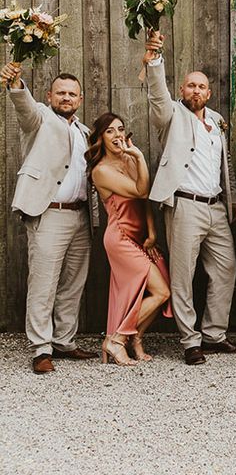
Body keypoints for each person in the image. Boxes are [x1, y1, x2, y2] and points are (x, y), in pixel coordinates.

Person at [142, 32, 236, 365]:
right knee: (183, 274)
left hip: (215, 206)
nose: (195, 91)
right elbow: (157, 95)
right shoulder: (171, 116)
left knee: (226, 268)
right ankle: (190, 340)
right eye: (190, 86)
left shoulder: (216, 121)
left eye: (201, 87)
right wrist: (155, 58)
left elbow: (224, 165)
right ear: (182, 90)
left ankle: (214, 334)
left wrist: (234, 198)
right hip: (184, 204)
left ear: (209, 93)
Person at [1, 62, 98, 374]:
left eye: (72, 94)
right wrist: (16, 83)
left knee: (73, 283)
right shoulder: (40, 117)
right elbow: (24, 106)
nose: (66, 98)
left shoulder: (85, 132)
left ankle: (64, 341)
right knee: (44, 283)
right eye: (61, 93)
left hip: (81, 217)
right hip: (49, 213)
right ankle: (41, 349)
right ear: (50, 95)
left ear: (80, 100)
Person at [87, 113, 172, 365]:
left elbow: (144, 200)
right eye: (110, 131)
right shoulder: (101, 171)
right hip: (121, 238)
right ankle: (116, 340)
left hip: (139, 237)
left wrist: (152, 231)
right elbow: (140, 189)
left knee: (155, 290)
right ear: (101, 137)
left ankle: (136, 340)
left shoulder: (128, 160)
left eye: (120, 129)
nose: (117, 135)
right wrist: (140, 156)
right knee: (161, 292)